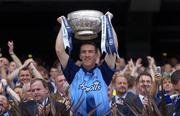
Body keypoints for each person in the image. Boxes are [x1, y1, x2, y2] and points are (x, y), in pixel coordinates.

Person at [55, 13, 118, 115]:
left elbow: (113, 48)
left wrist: (109, 23)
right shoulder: (73, 71)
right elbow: (59, 50)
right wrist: (63, 26)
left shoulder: (103, 71)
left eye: (90, 51)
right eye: (84, 52)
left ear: (96, 55)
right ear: (80, 55)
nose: (87, 55)